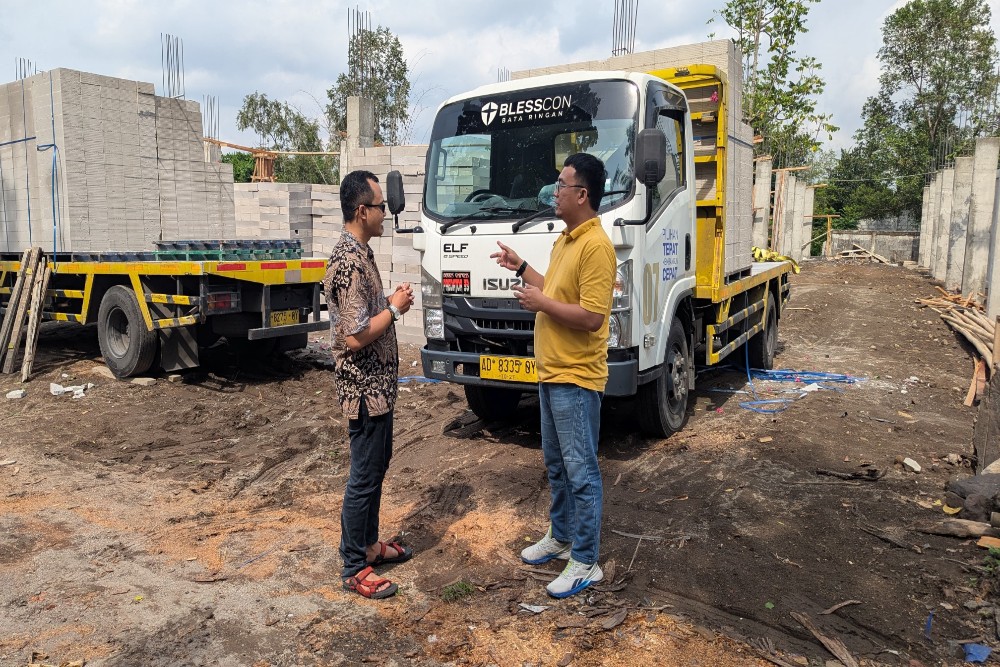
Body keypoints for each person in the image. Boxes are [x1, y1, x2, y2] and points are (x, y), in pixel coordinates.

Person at [490, 153, 617, 598]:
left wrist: (541, 305)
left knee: (581, 471)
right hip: (551, 372)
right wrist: (522, 267)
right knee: (558, 466)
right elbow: (558, 289)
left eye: (561, 184)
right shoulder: (566, 240)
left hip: (576, 377)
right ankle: (561, 537)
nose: (553, 191)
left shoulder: (597, 246)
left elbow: (592, 317)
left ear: (582, 194)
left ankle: (585, 560)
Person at [324, 169, 415, 600]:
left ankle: (368, 545)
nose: (385, 213)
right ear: (362, 211)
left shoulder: (362, 254)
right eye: (380, 206)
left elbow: (364, 317)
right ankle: (353, 565)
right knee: (363, 476)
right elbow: (355, 335)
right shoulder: (346, 263)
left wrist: (389, 302)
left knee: (376, 468)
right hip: (363, 391)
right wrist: (394, 310)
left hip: (379, 388)